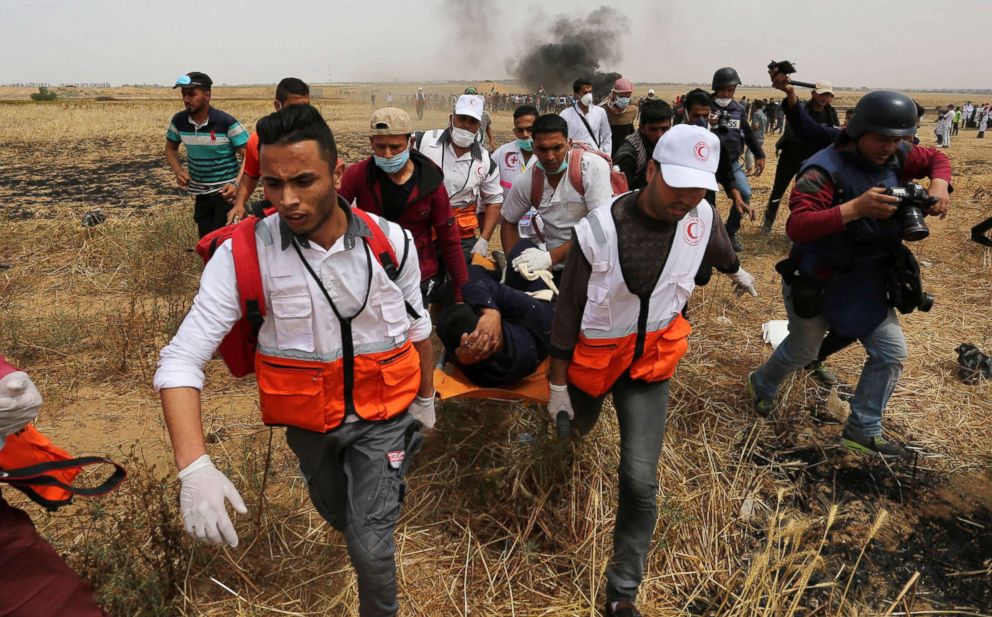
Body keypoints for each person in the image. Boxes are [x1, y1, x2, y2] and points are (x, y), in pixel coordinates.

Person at [154, 105, 435, 617]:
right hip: (310, 425)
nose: (287, 200)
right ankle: (374, 501)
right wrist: (194, 468)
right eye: (273, 184)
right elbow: (180, 362)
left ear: (337, 171)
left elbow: (419, 328)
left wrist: (425, 399)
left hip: (384, 419)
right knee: (341, 514)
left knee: (370, 548)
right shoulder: (243, 255)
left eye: (303, 181)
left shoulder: (391, 243)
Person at [548, 125, 757, 617]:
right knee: (570, 432)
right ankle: (549, 461)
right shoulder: (598, 229)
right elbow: (568, 310)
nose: (686, 199)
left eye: (698, 189)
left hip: (650, 364)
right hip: (595, 363)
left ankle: (622, 591)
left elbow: (719, 249)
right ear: (652, 171)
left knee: (640, 481)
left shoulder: (700, 216)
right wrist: (557, 384)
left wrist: (737, 272)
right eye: (677, 185)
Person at [746, 91, 952, 459]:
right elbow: (798, 226)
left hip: (868, 280)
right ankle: (761, 385)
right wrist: (855, 208)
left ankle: (863, 429)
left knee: (891, 353)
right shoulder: (822, 170)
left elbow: (936, 158)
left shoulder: (899, 153)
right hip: (819, 277)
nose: (891, 148)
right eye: (883, 139)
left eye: (898, 139)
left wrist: (939, 184)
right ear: (858, 131)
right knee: (802, 349)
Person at [339, 107, 469, 305]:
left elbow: (448, 237)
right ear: (371, 142)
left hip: (419, 275)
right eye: (381, 147)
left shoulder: (430, 182)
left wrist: (462, 293)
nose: (388, 154)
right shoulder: (358, 175)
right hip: (372, 272)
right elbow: (331, 213)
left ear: (411, 142)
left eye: (395, 147)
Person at [499, 114, 613, 281]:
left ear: (569, 143)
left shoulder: (591, 168)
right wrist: (514, 263)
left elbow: (599, 230)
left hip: (597, 267)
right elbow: (508, 221)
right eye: (543, 149)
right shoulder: (527, 181)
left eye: (557, 148)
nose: (550, 156)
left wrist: (550, 257)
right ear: (533, 147)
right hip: (558, 270)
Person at [437, 241, 556, 387]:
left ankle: (501, 275)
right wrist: (491, 311)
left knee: (464, 283)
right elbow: (469, 279)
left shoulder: (472, 360)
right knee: (521, 251)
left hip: (509, 313)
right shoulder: (538, 325)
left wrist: (459, 356)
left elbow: (464, 282)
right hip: (536, 307)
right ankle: (503, 275)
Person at [414, 94, 503, 263]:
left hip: (460, 235)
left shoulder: (486, 161)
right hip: (421, 229)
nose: (466, 125)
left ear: (479, 126)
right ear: (451, 118)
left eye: (473, 122)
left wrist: (483, 241)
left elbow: (494, 200)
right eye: (462, 119)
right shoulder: (423, 141)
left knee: (463, 283)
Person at [165, 72, 249, 237]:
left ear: (207, 95)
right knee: (207, 244)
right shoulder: (179, 121)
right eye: (184, 94)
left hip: (227, 197)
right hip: (201, 196)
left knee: (228, 245)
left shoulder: (225, 122)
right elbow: (170, 148)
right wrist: (178, 171)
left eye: (192, 94)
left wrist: (236, 185)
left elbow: (250, 155)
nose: (186, 99)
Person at [230, 77, 311, 223]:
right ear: (277, 105)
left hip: (311, 213)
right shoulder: (259, 140)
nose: (300, 114)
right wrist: (239, 204)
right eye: (293, 108)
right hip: (276, 214)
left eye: (305, 107)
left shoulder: (316, 139)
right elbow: (250, 176)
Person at [762, 81, 839, 233]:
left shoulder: (831, 113)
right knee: (778, 191)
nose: (824, 98)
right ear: (813, 93)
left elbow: (833, 136)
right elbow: (793, 131)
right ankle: (767, 224)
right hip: (791, 157)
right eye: (822, 94)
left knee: (805, 195)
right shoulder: (802, 110)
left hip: (812, 163)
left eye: (828, 95)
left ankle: (798, 226)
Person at [709, 67, 765, 252]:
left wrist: (760, 154)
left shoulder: (738, 110)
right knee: (707, 203)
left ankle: (730, 232)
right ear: (716, 88)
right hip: (707, 164)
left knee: (745, 194)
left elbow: (748, 133)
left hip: (732, 162)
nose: (727, 94)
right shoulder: (705, 106)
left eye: (731, 90)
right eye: (724, 90)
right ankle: (709, 237)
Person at [493, 104, 542, 240]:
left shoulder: (549, 155)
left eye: (530, 129)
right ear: (514, 132)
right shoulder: (502, 153)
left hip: (543, 229)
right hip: (510, 226)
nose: (525, 135)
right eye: (520, 130)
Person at [614, 99, 674, 190]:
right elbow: (622, 191)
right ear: (641, 128)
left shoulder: (672, 143)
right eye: (653, 129)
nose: (659, 135)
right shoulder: (630, 153)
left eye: (664, 128)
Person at [560, 78, 612, 155]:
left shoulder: (600, 112)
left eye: (590, 92)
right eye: (585, 93)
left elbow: (607, 136)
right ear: (576, 95)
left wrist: (604, 154)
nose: (589, 95)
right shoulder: (565, 114)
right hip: (573, 158)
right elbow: (561, 138)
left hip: (595, 157)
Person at [600, 77, 638, 158]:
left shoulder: (632, 111)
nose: (625, 100)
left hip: (624, 154)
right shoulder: (603, 111)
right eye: (621, 96)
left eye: (627, 97)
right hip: (606, 153)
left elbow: (631, 132)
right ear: (614, 94)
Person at [745, 100, 768, 175]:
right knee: (757, 154)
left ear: (755, 106)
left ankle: (749, 169)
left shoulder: (756, 114)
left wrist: (749, 130)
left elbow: (755, 126)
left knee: (748, 153)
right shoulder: (764, 115)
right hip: (761, 137)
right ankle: (757, 170)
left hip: (755, 137)